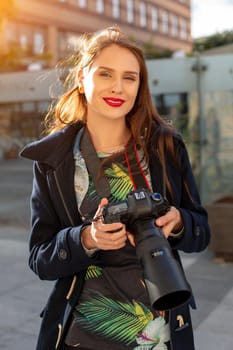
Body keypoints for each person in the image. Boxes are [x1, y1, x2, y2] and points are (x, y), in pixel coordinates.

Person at [20, 26, 210, 350]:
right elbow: (40, 258)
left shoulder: (165, 147)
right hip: (81, 337)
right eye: (105, 74)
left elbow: (201, 232)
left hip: (159, 335)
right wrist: (86, 239)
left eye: (130, 77)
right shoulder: (53, 160)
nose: (118, 87)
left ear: (140, 86)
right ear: (82, 78)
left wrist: (178, 222)